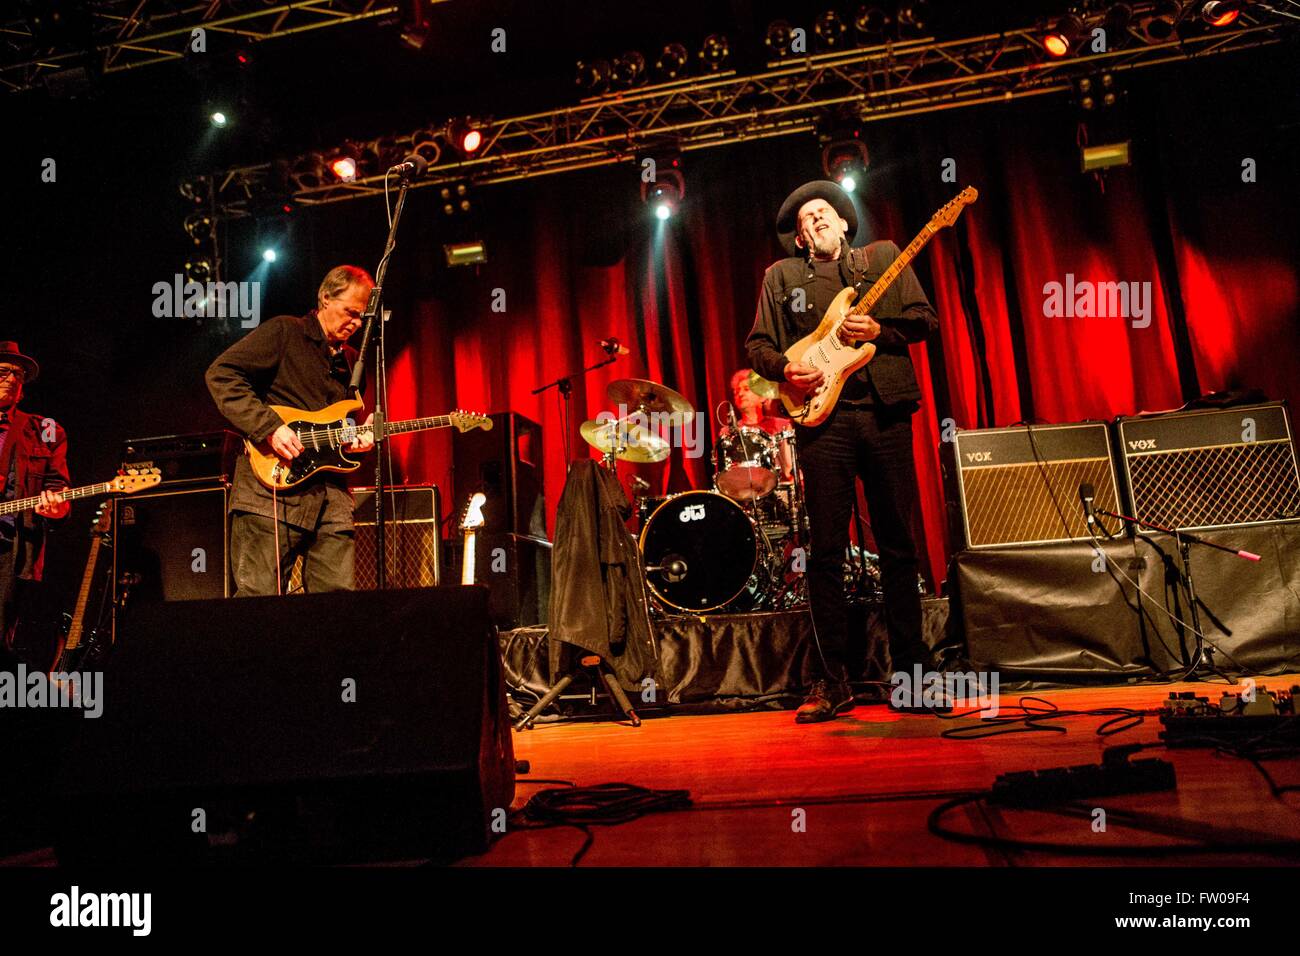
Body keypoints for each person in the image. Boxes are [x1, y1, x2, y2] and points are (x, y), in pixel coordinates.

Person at [746, 181, 938, 723]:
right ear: (801, 238)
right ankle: (833, 683)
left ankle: (914, 679)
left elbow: (926, 320)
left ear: (844, 222)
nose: (815, 222)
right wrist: (786, 369)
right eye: (805, 220)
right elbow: (757, 344)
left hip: (883, 412)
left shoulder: (883, 259)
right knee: (825, 552)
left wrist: (882, 328)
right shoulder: (781, 278)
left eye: (823, 212)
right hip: (821, 424)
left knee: (899, 545)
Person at [205, 265, 375, 596]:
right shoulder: (285, 331)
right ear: (325, 298)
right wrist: (269, 427)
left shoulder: (353, 362)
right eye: (350, 312)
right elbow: (221, 374)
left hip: (331, 501)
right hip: (271, 490)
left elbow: (341, 428)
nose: (355, 323)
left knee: (337, 607)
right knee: (261, 603)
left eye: (361, 317)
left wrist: (357, 442)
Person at [0, 342, 69, 664]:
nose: (12, 379)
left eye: (19, 374)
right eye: (4, 371)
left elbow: (58, 489)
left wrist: (56, 508)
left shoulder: (45, 430)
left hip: (10, 548)